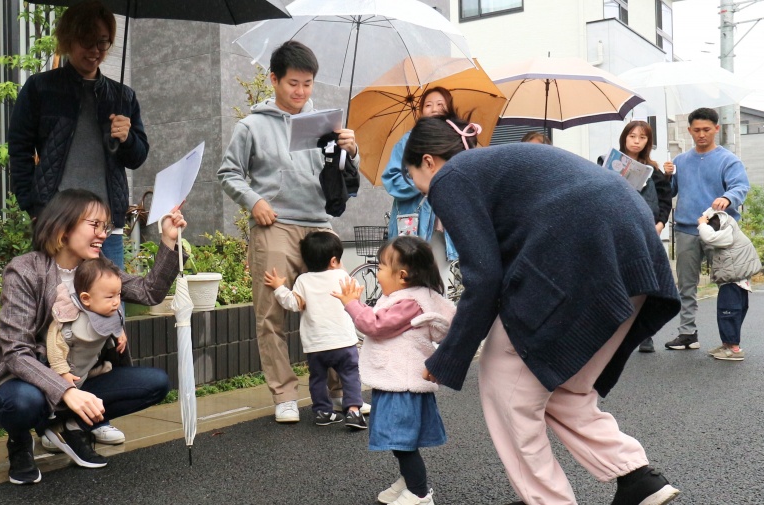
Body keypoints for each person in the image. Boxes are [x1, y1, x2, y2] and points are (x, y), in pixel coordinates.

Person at [403, 116, 682, 505]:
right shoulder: (493, 167)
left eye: (413, 178)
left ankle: (547, 500)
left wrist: (448, 356)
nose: (421, 190)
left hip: (578, 251)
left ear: (429, 161)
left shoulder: (451, 177)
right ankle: (637, 478)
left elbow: (484, 278)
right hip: (634, 247)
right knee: (562, 381)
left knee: (504, 380)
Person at [0, 189, 185, 485]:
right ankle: (19, 440)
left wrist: (168, 239)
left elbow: (148, 292)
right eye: (94, 225)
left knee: (155, 383)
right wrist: (64, 390)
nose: (102, 234)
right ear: (63, 227)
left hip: (81, 375)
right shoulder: (25, 270)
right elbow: (15, 352)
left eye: (105, 226)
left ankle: (69, 425)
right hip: (26, 381)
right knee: (23, 403)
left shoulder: (96, 269)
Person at [218, 40, 367, 424]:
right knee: (272, 312)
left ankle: (342, 391)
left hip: (319, 225)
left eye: (308, 83)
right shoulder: (251, 126)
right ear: (274, 79)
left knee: (336, 305)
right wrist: (254, 201)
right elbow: (229, 173)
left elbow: (343, 174)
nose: (301, 91)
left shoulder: (324, 124)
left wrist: (351, 150)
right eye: (293, 83)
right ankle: (284, 394)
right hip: (274, 225)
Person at [8, 0, 148, 272]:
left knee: (108, 295)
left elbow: (137, 157)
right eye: (86, 40)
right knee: (54, 295)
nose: (95, 50)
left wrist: (127, 138)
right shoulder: (40, 89)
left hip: (107, 225)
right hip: (58, 221)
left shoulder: (123, 96)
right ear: (68, 39)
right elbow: (19, 149)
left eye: (102, 42)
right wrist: (34, 209)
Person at [332, 235, 455, 505]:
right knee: (402, 442)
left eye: (380, 267)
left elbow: (375, 325)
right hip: (400, 382)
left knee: (402, 443)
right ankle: (409, 480)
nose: (377, 273)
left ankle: (419, 494)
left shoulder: (409, 303)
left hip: (403, 386)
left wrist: (352, 303)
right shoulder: (406, 298)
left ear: (402, 276)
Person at [664, 107, 749, 351]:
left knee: (729, 284)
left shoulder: (728, 160)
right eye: (697, 130)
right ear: (689, 130)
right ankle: (687, 333)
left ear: (716, 129)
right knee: (686, 285)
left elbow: (740, 186)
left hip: (720, 230)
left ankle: (729, 341)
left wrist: (728, 198)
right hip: (686, 229)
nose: (701, 134)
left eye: (706, 130)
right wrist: (666, 176)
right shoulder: (680, 161)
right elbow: (669, 192)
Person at [263, 231, 367, 429]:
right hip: (344, 342)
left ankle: (323, 412)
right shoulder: (343, 276)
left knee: (317, 378)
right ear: (334, 261)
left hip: (316, 345)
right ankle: (353, 411)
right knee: (350, 375)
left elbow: (294, 304)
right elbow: (354, 299)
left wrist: (279, 288)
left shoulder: (303, 280)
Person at [609, 120, 673, 353]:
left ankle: (644, 334)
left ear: (648, 142)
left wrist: (660, 224)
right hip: (617, 231)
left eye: (642, 137)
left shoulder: (653, 170)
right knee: (619, 282)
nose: (636, 141)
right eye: (632, 136)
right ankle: (615, 333)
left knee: (646, 283)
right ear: (624, 138)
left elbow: (665, 200)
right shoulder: (609, 163)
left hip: (647, 232)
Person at [381, 87, 459, 277]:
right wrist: (421, 181)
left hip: (445, 226)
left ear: (449, 108)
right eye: (428, 105)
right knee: (410, 278)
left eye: (440, 104)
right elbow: (391, 178)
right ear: (421, 111)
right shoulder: (408, 141)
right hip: (413, 224)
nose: (435, 109)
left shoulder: (455, 141)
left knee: (438, 280)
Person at [46, 256, 126, 390]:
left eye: (118, 294)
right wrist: (62, 372)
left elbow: (114, 321)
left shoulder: (109, 310)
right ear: (86, 299)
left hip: (89, 364)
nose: (116, 302)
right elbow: (54, 345)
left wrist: (120, 332)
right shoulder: (70, 317)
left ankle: (91, 373)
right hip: (68, 374)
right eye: (110, 296)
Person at [697, 207, 762, 361]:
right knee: (732, 312)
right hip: (738, 281)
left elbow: (709, 237)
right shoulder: (730, 228)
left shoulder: (728, 231)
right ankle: (727, 344)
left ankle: (734, 349)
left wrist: (702, 224)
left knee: (728, 312)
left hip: (733, 282)